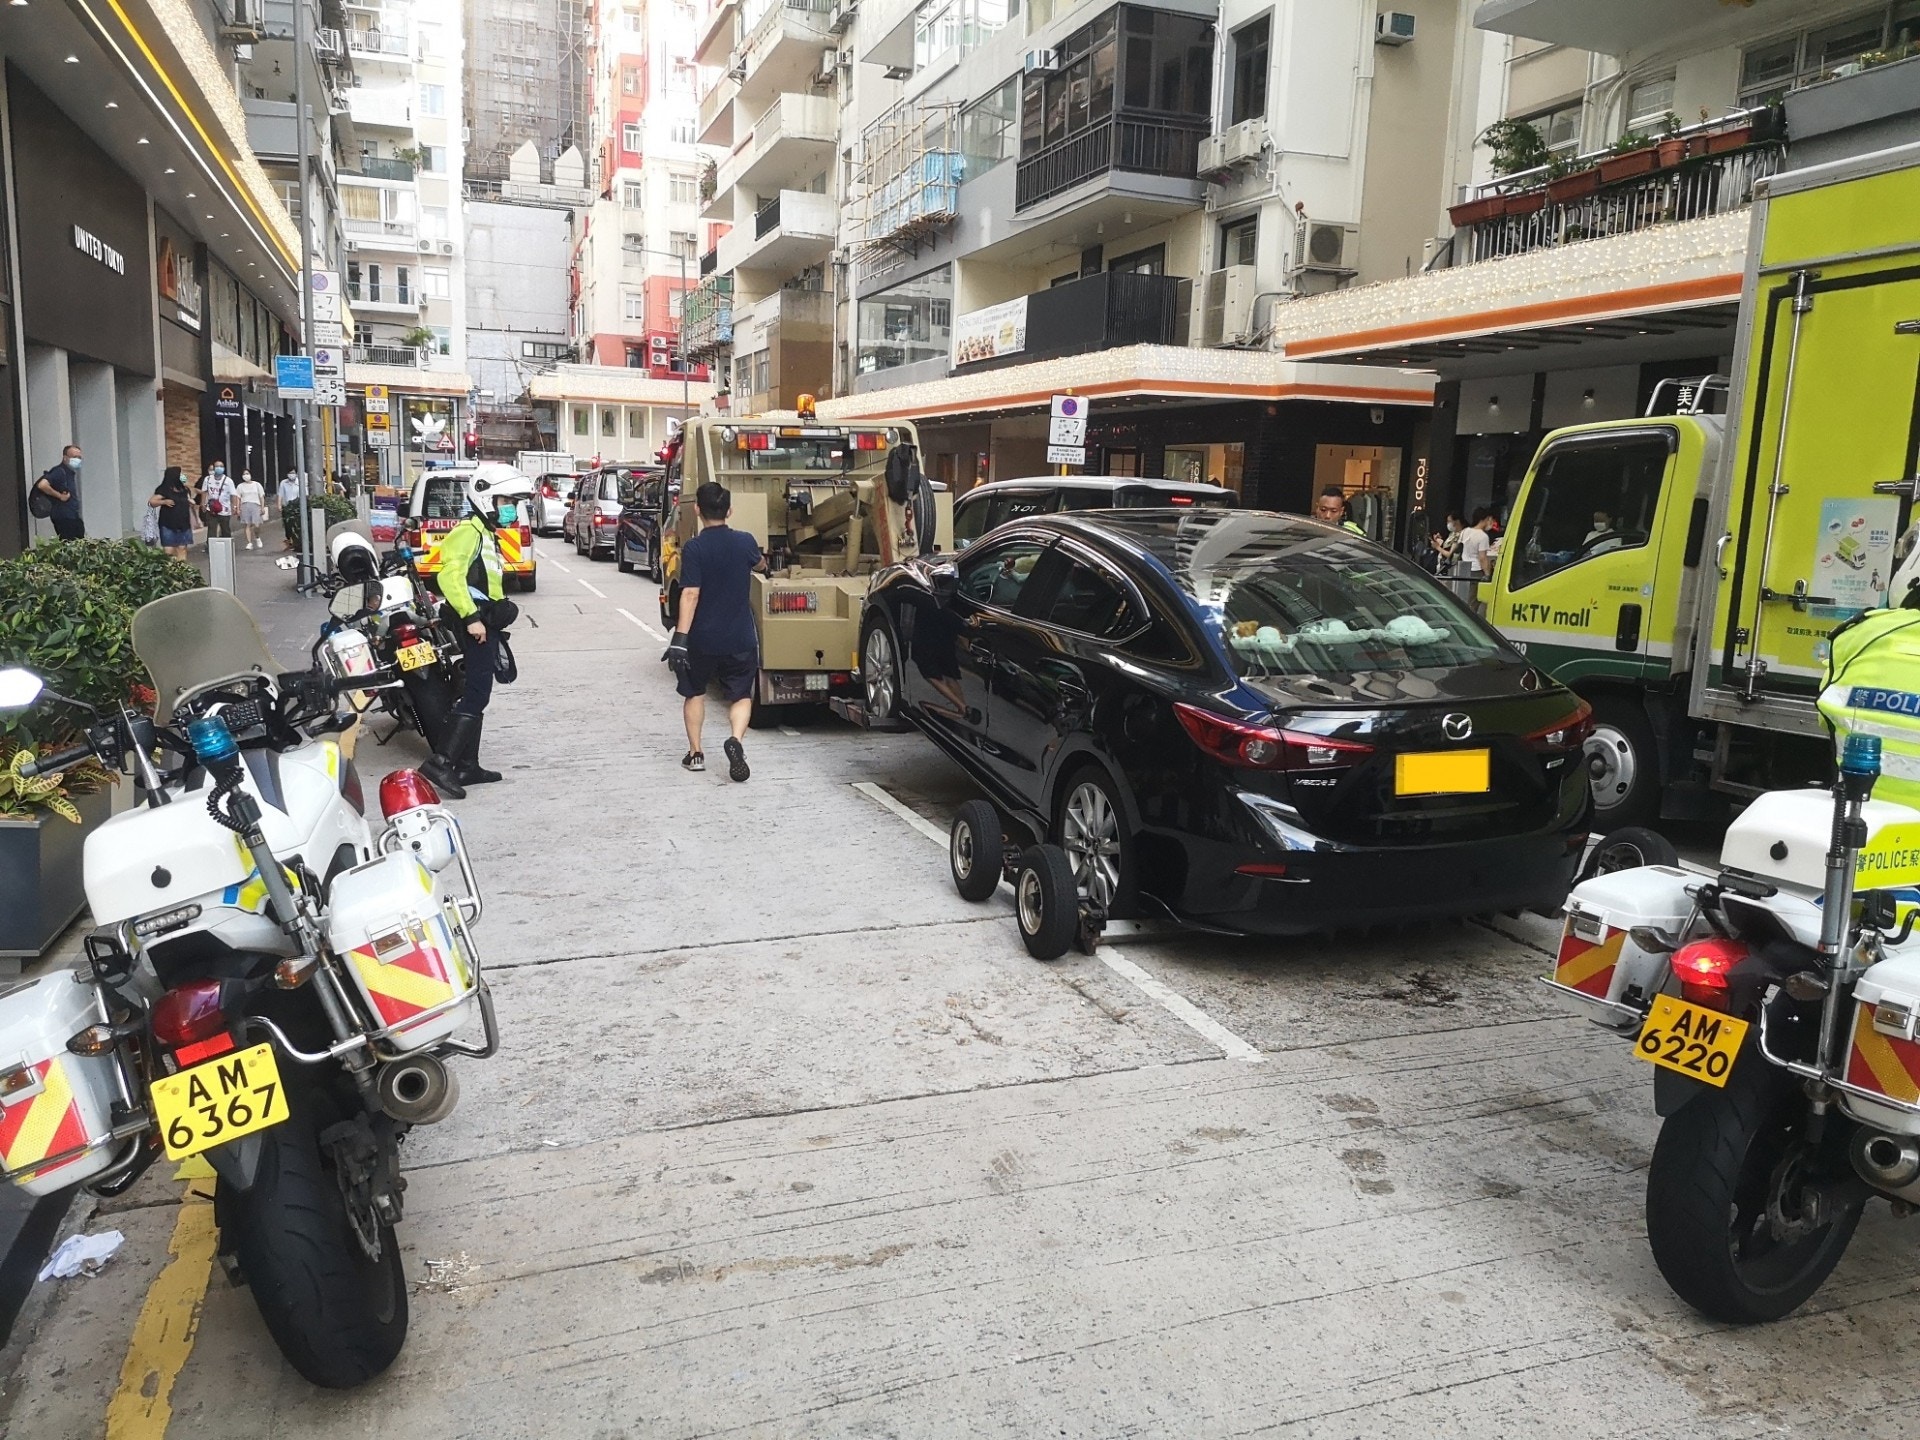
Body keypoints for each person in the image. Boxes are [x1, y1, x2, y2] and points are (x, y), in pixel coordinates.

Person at [419, 468, 532, 800]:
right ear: (487, 498)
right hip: (475, 623)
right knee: (476, 693)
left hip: (486, 622)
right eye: (507, 501)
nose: (511, 507)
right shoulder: (468, 531)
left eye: (513, 501)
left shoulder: (486, 532)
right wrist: (471, 618)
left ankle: (469, 766)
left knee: (478, 689)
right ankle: (441, 763)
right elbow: (449, 577)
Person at [661, 481, 763, 782]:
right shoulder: (745, 541)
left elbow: (690, 594)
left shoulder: (694, 548)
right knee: (741, 695)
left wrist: (680, 638)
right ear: (729, 510)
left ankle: (695, 754)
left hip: (703, 639)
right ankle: (735, 740)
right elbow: (760, 565)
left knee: (695, 692)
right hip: (740, 637)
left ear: (697, 510)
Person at [33, 445, 84, 540]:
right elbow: (42, 485)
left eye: (79, 457)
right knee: (70, 544)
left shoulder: (69, 473)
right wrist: (60, 496)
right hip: (64, 517)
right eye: (74, 457)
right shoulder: (59, 471)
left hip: (72, 515)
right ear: (65, 458)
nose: (77, 460)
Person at [147, 466, 194, 559]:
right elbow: (152, 502)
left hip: (184, 524)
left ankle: (181, 569)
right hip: (168, 524)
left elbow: (187, 500)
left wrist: (190, 502)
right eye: (180, 474)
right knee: (169, 551)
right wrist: (164, 502)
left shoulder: (184, 489)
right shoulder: (163, 489)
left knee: (182, 548)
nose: (182, 476)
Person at [201, 459, 235, 538]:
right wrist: (203, 503)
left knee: (225, 529)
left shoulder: (228, 481)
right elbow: (204, 491)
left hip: (225, 509)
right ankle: (210, 547)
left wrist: (234, 506)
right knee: (211, 530)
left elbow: (233, 495)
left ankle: (227, 546)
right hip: (211, 509)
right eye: (217, 466)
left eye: (221, 466)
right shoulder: (208, 479)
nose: (219, 468)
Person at [234, 470, 266, 549]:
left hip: (255, 505)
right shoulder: (240, 486)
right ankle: (249, 542)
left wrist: (262, 507)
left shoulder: (257, 485)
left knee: (256, 524)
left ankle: (257, 537)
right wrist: (238, 508)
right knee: (247, 524)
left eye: (247, 473)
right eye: (244, 474)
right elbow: (238, 498)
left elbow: (261, 497)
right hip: (245, 505)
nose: (246, 475)